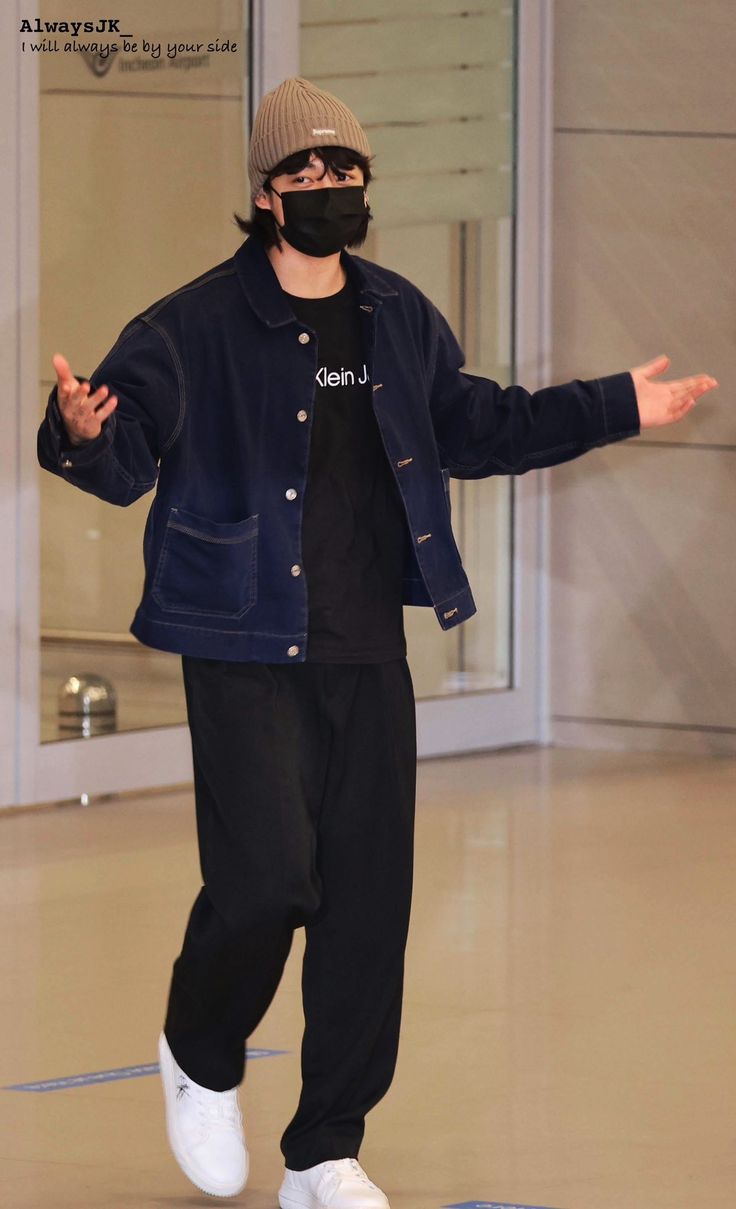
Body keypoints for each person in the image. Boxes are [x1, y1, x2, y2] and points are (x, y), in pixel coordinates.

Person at [37, 76, 718, 1209]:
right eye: (302, 175)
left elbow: (476, 426)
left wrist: (612, 408)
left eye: (343, 172)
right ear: (263, 195)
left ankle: (324, 1152)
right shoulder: (188, 326)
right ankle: (200, 1053)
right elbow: (122, 461)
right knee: (264, 886)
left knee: (363, 910)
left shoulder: (397, 316)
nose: (326, 189)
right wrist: (77, 434)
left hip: (365, 650)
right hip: (242, 641)